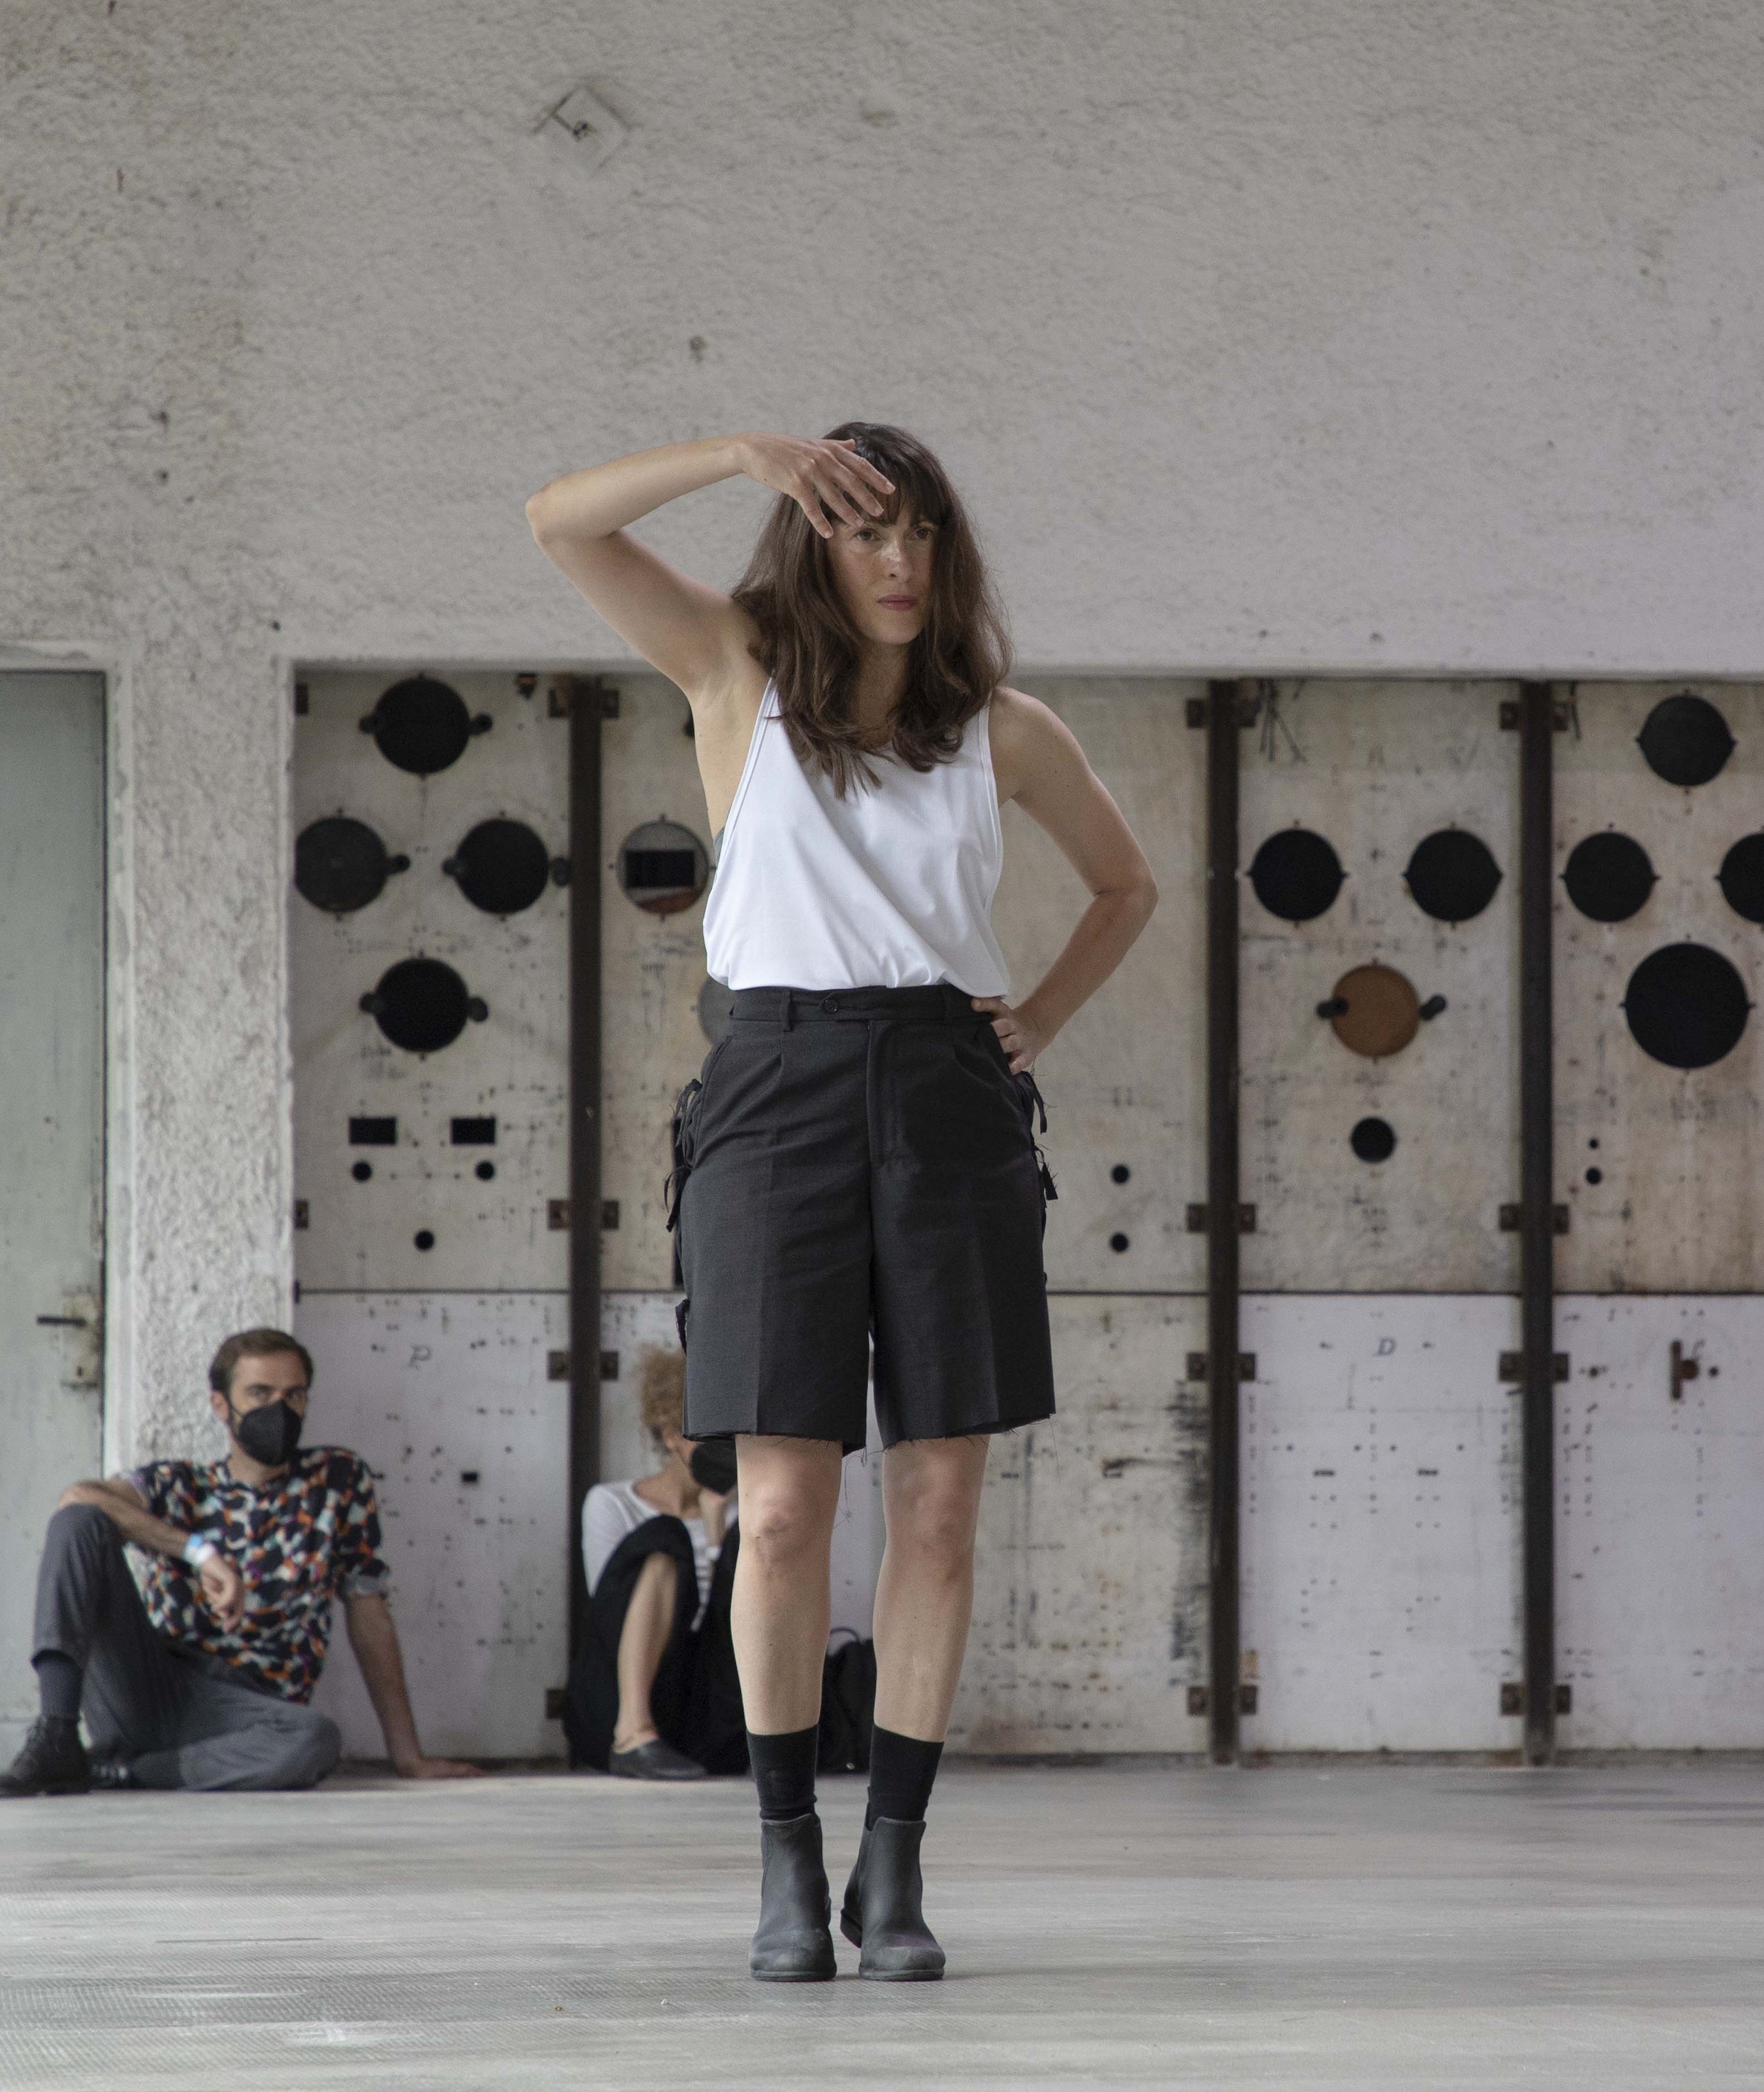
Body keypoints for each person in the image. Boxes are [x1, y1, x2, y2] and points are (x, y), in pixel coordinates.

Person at [527, 424, 1158, 1980]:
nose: (895, 560)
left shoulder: (998, 729)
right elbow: (558, 523)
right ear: (813, 542)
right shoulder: (738, 672)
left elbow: (1126, 884)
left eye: (918, 531)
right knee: (786, 1499)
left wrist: (1036, 1021)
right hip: (774, 1085)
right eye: (863, 529)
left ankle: (898, 1865)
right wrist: (741, 451)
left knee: (940, 1499)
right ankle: (787, 1861)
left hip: (947, 1093)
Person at [0, 1329, 484, 1795]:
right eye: (259, 1395)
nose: (278, 1410)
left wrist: (408, 1757)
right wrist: (198, 1552)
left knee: (315, 1740)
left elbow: (367, 1608)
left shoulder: (337, 1481)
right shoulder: (179, 1484)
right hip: (153, 1686)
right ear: (221, 1405)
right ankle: (57, 1736)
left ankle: (129, 1771)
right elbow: (78, 1495)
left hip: (249, 1712)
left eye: (294, 1395)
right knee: (79, 1520)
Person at [568, 1348, 745, 1780]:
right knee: (665, 1536)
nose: (723, 1451)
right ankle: (634, 1734)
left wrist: (717, 1535)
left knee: (759, 1541)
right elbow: (612, 1614)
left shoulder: (739, 1514)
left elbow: (729, 1629)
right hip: (623, 1695)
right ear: (671, 1434)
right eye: (709, 1436)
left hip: (706, 1705)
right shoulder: (612, 1503)